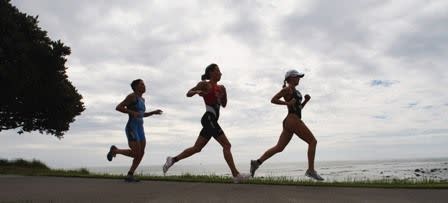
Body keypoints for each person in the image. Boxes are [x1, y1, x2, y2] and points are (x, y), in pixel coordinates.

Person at [162, 63, 250, 183]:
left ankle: (172, 160)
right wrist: (196, 91)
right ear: (211, 73)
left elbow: (223, 105)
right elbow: (188, 93)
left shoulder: (222, 88)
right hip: (208, 118)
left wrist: (222, 96)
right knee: (227, 145)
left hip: (212, 120)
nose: (220, 73)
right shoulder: (205, 84)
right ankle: (236, 175)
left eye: (220, 71)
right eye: (218, 71)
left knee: (197, 148)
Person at [250, 70, 324, 181]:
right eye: (297, 76)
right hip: (292, 119)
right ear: (290, 78)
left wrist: (306, 101)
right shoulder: (287, 89)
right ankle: (311, 170)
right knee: (313, 141)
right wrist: (287, 103)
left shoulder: (297, 92)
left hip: (291, 120)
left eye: (299, 77)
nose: (299, 78)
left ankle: (257, 162)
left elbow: (298, 109)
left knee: (279, 147)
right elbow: (273, 100)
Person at [107, 79, 163, 182]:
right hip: (132, 127)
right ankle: (115, 151)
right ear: (136, 87)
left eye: (144, 84)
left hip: (140, 128)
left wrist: (153, 112)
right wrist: (131, 112)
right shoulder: (131, 97)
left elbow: (141, 114)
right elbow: (118, 107)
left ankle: (130, 174)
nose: (144, 86)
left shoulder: (143, 99)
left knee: (141, 153)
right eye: (142, 84)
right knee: (135, 153)